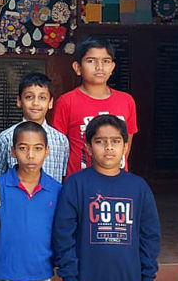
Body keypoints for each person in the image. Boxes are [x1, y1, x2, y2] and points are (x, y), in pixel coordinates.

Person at [52, 115, 160, 281]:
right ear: (88, 147)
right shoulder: (76, 184)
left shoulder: (138, 187)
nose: (108, 147)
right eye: (100, 141)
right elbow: (63, 236)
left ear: (125, 146)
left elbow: (150, 238)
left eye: (116, 141)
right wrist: (70, 279)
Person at [0, 122, 61, 281]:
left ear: (47, 151)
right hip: (6, 274)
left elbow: (60, 233)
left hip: (41, 275)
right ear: (13, 151)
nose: (31, 155)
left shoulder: (56, 189)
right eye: (23, 148)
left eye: (38, 148)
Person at [52, 38, 138, 177]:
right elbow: (58, 147)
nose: (99, 67)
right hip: (80, 183)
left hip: (117, 182)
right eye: (91, 61)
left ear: (112, 67)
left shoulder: (126, 101)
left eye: (106, 61)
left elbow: (126, 146)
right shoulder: (67, 102)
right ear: (77, 68)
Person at [0, 72, 69, 182]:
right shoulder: (6, 138)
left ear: (50, 102)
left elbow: (62, 177)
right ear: (19, 101)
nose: (35, 103)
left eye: (42, 97)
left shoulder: (61, 141)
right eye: (29, 97)